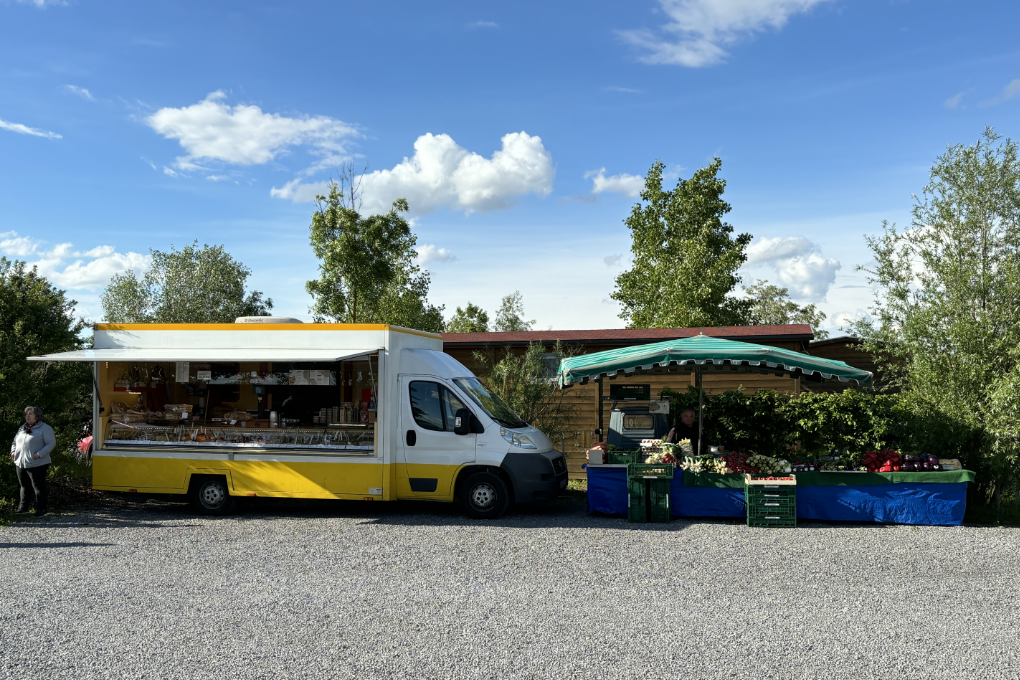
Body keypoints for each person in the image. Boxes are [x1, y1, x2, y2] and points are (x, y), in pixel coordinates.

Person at [10, 406, 55, 517]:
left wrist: (39, 454)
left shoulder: (45, 428)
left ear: (37, 416)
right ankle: (23, 508)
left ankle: (41, 509)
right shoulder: (22, 428)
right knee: (24, 486)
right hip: (21, 462)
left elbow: (51, 443)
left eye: (30, 413)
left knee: (38, 486)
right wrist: (13, 451)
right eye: (26, 414)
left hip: (38, 463)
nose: (28, 416)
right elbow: (15, 442)